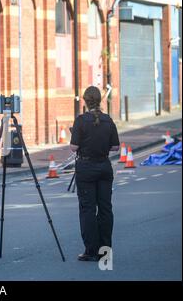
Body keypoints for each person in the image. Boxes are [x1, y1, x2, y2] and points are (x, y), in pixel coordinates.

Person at [70, 86, 120, 261]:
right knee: (105, 209)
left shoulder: (81, 120)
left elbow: (74, 147)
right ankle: (105, 250)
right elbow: (115, 147)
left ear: (85, 100)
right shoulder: (108, 120)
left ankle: (91, 251)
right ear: (100, 100)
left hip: (86, 168)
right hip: (104, 167)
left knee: (88, 209)